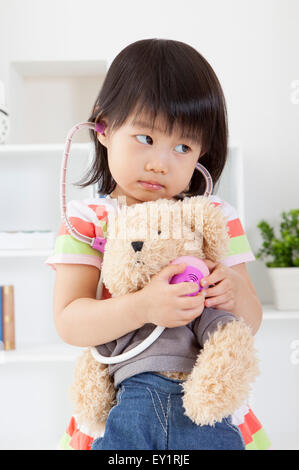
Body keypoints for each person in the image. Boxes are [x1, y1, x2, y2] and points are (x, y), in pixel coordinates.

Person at [45, 38, 270, 450]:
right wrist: (143, 306)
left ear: (202, 153)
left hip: (207, 409)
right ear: (105, 127)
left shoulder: (213, 217)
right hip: (121, 410)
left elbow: (251, 319)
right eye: (146, 138)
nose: (160, 163)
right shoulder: (88, 220)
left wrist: (235, 295)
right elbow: (70, 321)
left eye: (183, 146)